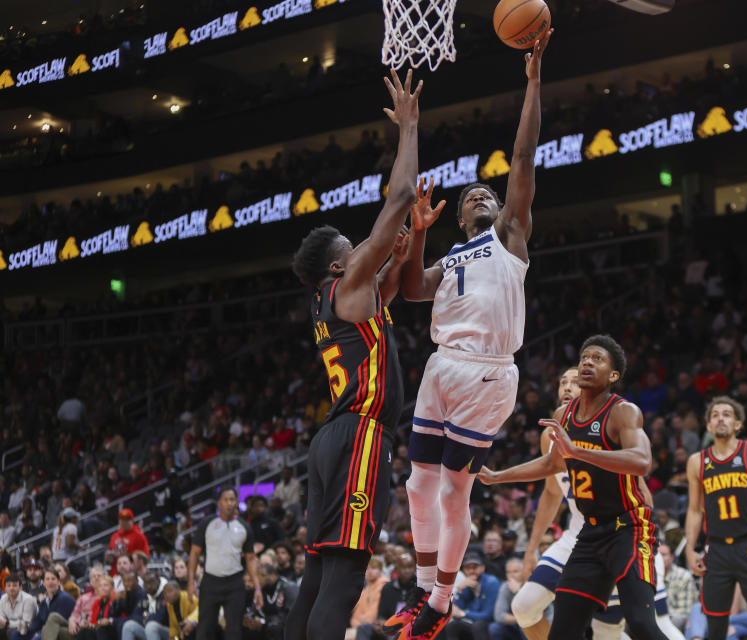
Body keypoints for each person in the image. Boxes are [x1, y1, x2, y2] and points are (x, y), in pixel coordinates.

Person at [395, 31, 552, 640]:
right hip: (441, 365)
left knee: (455, 488)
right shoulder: (454, 255)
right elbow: (412, 291)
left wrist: (533, 83)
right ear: (460, 216)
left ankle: (441, 602)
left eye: (486, 193)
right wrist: (420, 234)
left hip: (489, 369)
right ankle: (424, 593)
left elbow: (522, 159)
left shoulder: (509, 238)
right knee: (417, 485)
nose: (483, 195)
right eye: (472, 197)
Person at [283, 68, 421, 640]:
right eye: (354, 247)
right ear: (340, 265)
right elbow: (400, 196)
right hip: (359, 435)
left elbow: (398, 279)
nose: (364, 248)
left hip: (332, 438)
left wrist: (414, 237)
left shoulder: (343, 299)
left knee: (317, 577)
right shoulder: (346, 287)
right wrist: (409, 128)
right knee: (342, 580)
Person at [479, 335, 667, 640]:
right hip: (589, 534)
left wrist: (577, 451)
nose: (588, 362)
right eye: (584, 358)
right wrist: (498, 476)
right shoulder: (562, 417)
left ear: (614, 375)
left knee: (642, 624)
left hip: (629, 528)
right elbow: (552, 465)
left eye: (598, 359)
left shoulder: (623, 411)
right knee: (562, 631)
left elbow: (642, 461)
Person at [684, 396, 747, 640]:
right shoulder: (696, 461)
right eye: (715, 415)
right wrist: (689, 548)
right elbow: (694, 509)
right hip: (716, 549)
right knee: (715, 626)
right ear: (708, 426)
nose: (721, 418)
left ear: (738, 424)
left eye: (727, 414)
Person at [187, 487, 262, 640]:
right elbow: (194, 554)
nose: (229, 503)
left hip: (234, 583)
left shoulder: (244, 527)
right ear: (220, 502)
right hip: (210, 582)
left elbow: (250, 558)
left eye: (232, 499)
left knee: (234, 630)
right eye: (226, 499)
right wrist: (190, 582)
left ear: (236, 502)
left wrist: (258, 587)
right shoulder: (207, 523)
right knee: (205, 629)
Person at [445, 552, 500, 640]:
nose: (471, 571)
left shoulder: (492, 582)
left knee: (478, 625)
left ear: (482, 568)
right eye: (468, 568)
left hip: (488, 622)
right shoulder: (465, 584)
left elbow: (489, 615)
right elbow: (456, 613)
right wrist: (460, 590)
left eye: (475, 567)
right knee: (452, 625)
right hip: (472, 621)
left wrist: (464, 614)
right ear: (463, 570)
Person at [25, 569, 75, 640]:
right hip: (47, 632)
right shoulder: (44, 602)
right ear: (44, 583)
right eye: (47, 579)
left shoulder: (64, 598)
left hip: (64, 633)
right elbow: (37, 623)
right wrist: (26, 627)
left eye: (53, 579)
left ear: (58, 582)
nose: (50, 582)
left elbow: (58, 624)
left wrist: (38, 634)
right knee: (17, 634)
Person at [660, 543, 697, 631]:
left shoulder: (683, 576)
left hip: (675, 621)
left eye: (663, 555)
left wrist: (663, 616)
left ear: (672, 557)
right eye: (657, 555)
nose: (659, 559)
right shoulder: (648, 576)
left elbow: (685, 613)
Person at [106, 511, 150, 576]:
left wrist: (126, 555)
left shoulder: (139, 536)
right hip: (115, 573)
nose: (124, 522)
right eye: (122, 519)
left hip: (132, 574)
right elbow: (109, 555)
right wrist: (109, 556)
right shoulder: (115, 536)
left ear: (132, 521)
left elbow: (145, 557)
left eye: (127, 519)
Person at [491, 558, 525, 640]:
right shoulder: (505, 586)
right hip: (517, 622)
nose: (511, 575)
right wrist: (521, 620)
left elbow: (531, 612)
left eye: (515, 571)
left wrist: (518, 592)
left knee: (525, 627)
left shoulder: (531, 584)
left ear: (524, 571)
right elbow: (499, 616)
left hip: (537, 624)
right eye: (508, 572)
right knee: (495, 628)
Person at [0, 573, 37, 640]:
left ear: (20, 587)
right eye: (8, 586)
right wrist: (5, 623)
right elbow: (1, 618)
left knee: (10, 632)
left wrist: (7, 623)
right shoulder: (3, 598)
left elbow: (26, 623)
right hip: (9, 627)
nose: (11, 588)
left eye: (14, 585)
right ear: (5, 588)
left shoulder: (28, 599)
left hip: (28, 630)